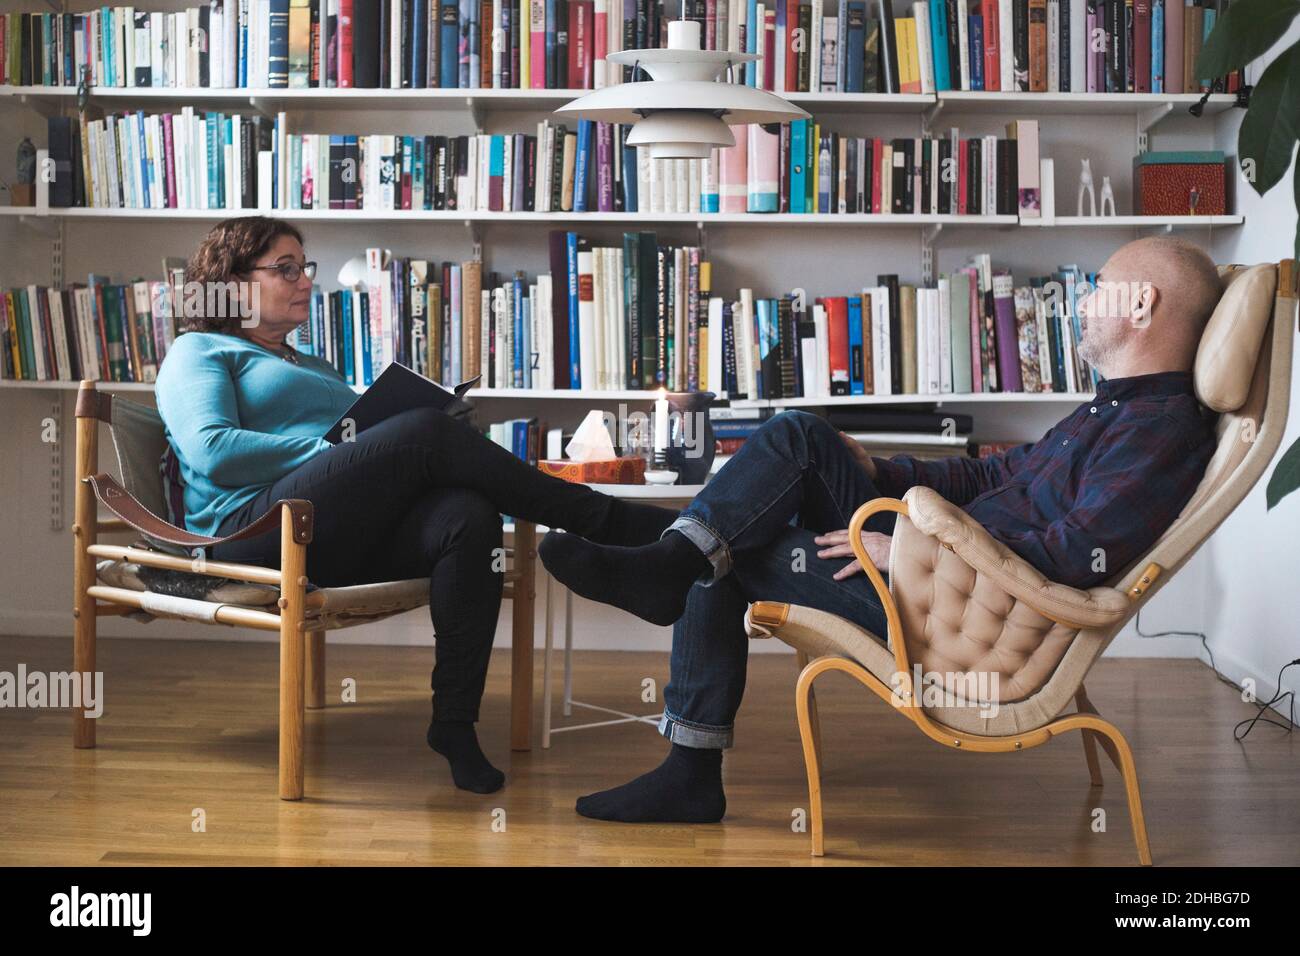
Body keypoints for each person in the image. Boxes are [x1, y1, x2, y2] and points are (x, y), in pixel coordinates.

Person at [538, 235, 1223, 824]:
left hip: (955, 611)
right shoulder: (1108, 411)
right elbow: (994, 477)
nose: (1083, 299)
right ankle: (671, 558)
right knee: (801, 436)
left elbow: (1075, 557)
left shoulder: (1159, 433)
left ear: (1142, 305)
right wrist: (880, 470)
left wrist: (912, 553)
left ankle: (686, 740)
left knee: (731, 549)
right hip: (938, 570)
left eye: (1100, 286)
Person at [155, 216, 676, 795]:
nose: (304, 280)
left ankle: (454, 724)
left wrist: (388, 441)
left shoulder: (315, 366)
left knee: (467, 517)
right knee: (424, 430)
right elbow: (213, 449)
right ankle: (611, 523)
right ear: (231, 281)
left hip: (337, 531)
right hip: (253, 527)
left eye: (305, 268)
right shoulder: (198, 350)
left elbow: (360, 459)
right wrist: (340, 448)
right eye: (285, 269)